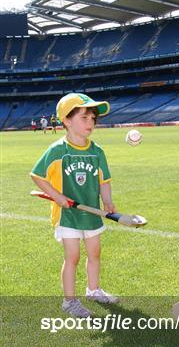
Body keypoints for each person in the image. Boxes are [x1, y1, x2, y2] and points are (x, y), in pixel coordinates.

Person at [30, 93, 119, 317]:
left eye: (93, 119)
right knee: (73, 257)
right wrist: (57, 196)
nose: (90, 123)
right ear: (67, 120)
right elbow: (37, 175)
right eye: (84, 117)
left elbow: (103, 180)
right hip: (68, 215)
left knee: (95, 253)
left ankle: (93, 290)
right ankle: (69, 302)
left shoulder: (97, 151)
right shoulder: (58, 150)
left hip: (91, 212)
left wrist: (107, 200)